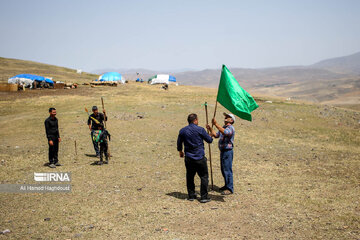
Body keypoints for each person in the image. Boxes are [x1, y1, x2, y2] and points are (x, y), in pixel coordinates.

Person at [177, 113, 213, 203]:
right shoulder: (200, 129)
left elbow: (179, 143)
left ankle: (191, 195)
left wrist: (180, 151)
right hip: (200, 157)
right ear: (195, 120)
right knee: (204, 177)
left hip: (189, 158)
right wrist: (210, 133)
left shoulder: (182, 131)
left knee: (190, 176)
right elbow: (209, 140)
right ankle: (204, 197)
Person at [207, 113, 236, 195]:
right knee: (223, 169)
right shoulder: (223, 127)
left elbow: (225, 133)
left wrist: (215, 124)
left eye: (228, 117)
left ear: (231, 120)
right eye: (226, 117)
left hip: (227, 151)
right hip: (223, 151)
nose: (225, 118)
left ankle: (230, 188)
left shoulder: (230, 128)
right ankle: (226, 185)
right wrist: (210, 129)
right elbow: (216, 135)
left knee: (227, 169)